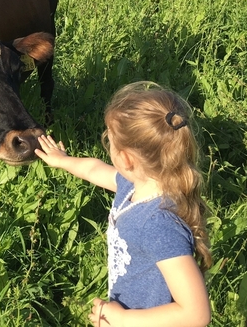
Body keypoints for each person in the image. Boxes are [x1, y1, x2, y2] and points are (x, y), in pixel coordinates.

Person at [36, 81, 212, 327]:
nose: (106, 142)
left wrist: (123, 319)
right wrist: (63, 161)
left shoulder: (158, 224)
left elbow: (196, 314)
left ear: (127, 158)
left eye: (110, 139)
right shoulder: (135, 185)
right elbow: (95, 169)